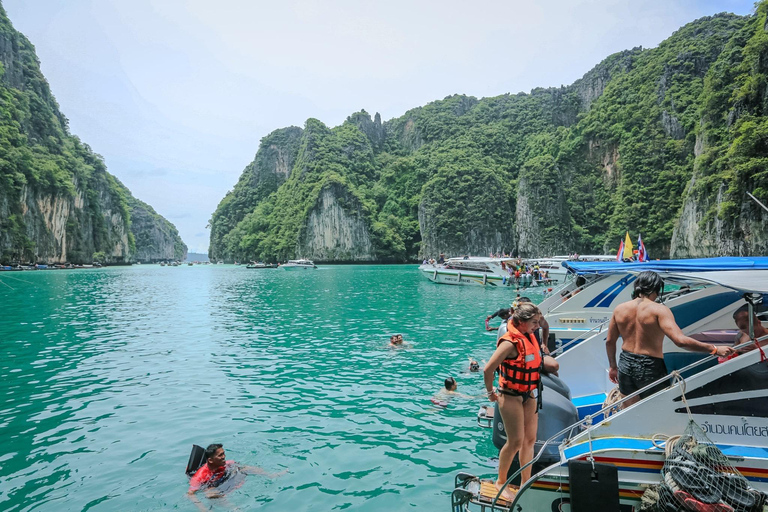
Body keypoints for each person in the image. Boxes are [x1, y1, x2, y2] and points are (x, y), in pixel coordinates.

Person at [606, 271, 734, 408]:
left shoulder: (619, 309)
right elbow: (680, 341)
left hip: (625, 363)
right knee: (659, 409)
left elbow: (610, 341)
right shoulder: (659, 310)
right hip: (649, 366)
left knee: (630, 409)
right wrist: (714, 349)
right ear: (657, 288)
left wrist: (613, 367)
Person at [483, 303, 542, 500]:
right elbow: (488, 369)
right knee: (515, 441)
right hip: (509, 396)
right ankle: (501, 481)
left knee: (530, 440)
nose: (537, 326)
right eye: (534, 322)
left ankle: (526, 482)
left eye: (538, 322)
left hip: (529, 394)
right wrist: (491, 392)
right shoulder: (509, 343)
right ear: (521, 322)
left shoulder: (530, 337)